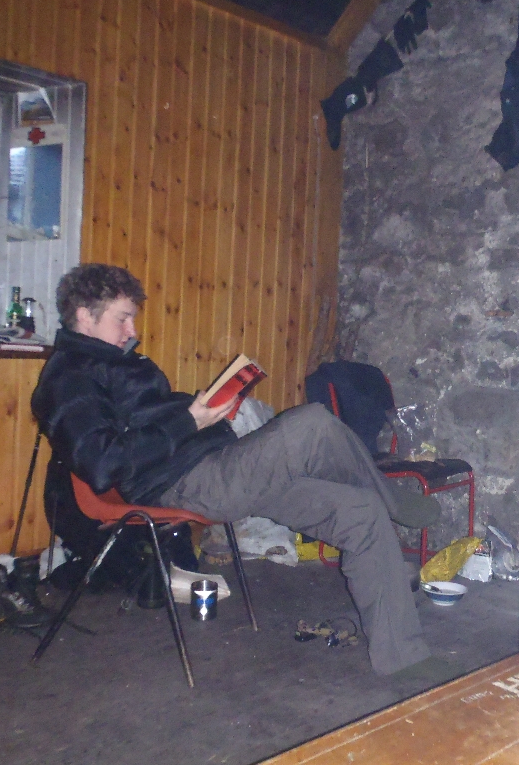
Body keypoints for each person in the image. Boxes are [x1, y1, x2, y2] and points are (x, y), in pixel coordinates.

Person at [31, 263, 443, 676]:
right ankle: (397, 502)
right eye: (122, 318)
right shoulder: (68, 379)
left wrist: (202, 410)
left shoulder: (116, 364)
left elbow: (144, 424)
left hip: (216, 466)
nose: (132, 330)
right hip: (181, 485)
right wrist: (189, 421)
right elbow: (104, 464)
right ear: (84, 314)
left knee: (360, 512)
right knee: (311, 424)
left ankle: (403, 659)